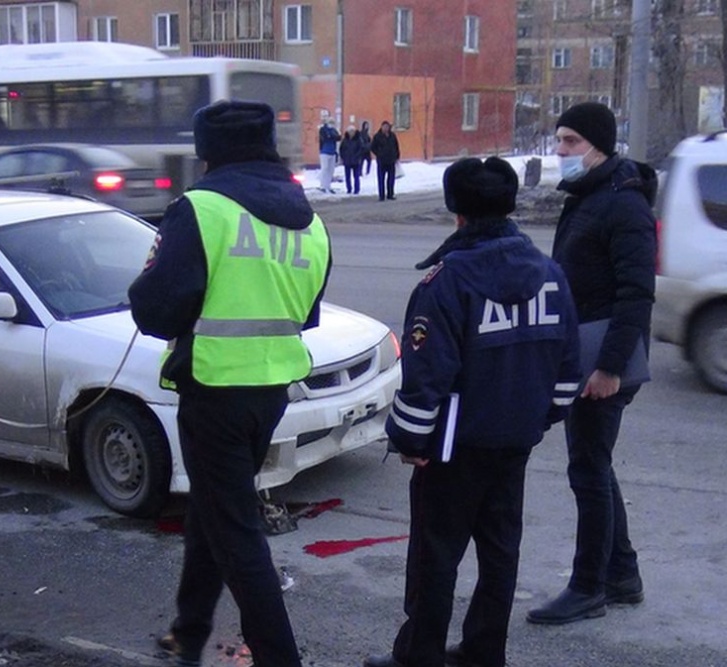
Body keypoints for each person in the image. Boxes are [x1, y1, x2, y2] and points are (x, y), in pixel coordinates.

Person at [129, 100, 331, 667]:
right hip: (271, 393)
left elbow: (157, 308)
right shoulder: (309, 218)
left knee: (237, 535)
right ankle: (188, 632)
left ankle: (278, 658)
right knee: (213, 511)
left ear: (207, 152)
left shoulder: (201, 208)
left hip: (214, 390)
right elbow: (307, 310)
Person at [364, 157, 581, 667]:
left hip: (453, 450)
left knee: (435, 559)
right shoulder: (551, 275)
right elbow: (568, 369)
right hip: (514, 443)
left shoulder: (445, 283)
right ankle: (485, 653)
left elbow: (425, 376)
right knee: (500, 553)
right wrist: (536, 420)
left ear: (457, 213)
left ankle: (420, 657)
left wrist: (411, 443)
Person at [527, 102, 657, 625]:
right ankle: (621, 575)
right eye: (559, 142)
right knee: (595, 464)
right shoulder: (589, 196)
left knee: (588, 468)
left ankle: (588, 587)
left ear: (600, 146)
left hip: (604, 358)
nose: (561, 153)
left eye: (571, 142)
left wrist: (609, 368)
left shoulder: (621, 205)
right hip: (587, 350)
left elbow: (636, 295)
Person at [371, 121, 401, 201]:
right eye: (384, 127)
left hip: (391, 160)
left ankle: (390, 194)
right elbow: (373, 147)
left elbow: (396, 146)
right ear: (381, 127)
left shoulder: (392, 136)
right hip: (382, 161)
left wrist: (397, 156)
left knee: (391, 178)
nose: (386, 128)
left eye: (387, 127)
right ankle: (381, 195)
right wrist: (379, 154)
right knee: (381, 178)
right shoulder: (377, 136)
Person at [339, 124, 365, 195]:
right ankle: (349, 189)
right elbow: (341, 149)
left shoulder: (358, 139)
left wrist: (357, 156)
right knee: (347, 176)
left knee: (356, 176)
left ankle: (357, 189)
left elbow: (361, 149)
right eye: (350, 131)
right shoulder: (345, 140)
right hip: (347, 160)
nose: (351, 133)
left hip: (356, 161)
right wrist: (343, 157)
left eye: (352, 131)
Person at [318, 116, 341, 193]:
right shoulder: (323, 129)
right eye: (330, 122)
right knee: (324, 169)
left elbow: (338, 137)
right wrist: (332, 136)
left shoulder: (334, 130)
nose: (332, 124)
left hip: (332, 152)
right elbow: (326, 137)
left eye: (333, 122)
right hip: (324, 152)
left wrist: (332, 136)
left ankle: (328, 185)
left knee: (331, 170)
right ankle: (323, 186)